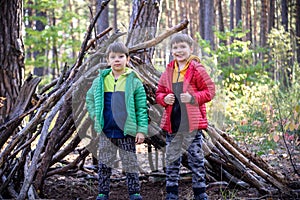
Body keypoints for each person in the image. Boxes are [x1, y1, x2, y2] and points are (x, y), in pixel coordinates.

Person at [155, 33, 215, 200]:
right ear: (171, 50)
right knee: (172, 159)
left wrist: (193, 98)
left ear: (191, 49)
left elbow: (210, 91)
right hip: (173, 125)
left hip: (192, 126)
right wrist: (164, 99)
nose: (178, 50)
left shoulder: (196, 69)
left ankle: (200, 193)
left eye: (182, 47)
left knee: (196, 159)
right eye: (175, 47)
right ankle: (172, 193)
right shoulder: (169, 71)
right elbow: (159, 93)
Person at [86, 42, 148, 200]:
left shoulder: (134, 81)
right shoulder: (101, 80)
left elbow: (141, 107)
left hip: (126, 131)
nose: (117, 60)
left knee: (130, 162)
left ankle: (134, 192)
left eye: (121, 56)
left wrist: (141, 129)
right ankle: (103, 192)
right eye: (113, 57)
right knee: (104, 163)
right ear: (108, 60)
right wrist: (95, 116)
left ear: (127, 60)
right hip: (106, 130)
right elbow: (90, 99)